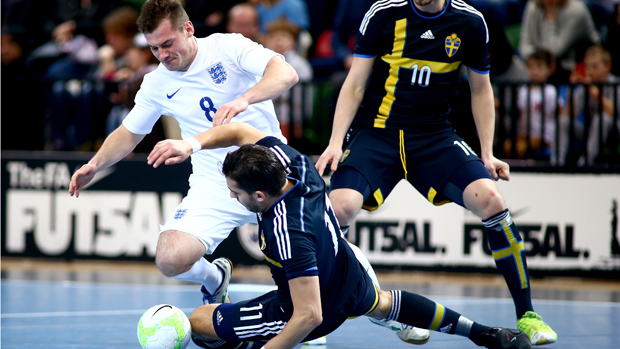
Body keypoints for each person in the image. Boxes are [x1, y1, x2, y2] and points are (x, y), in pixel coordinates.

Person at [147, 121, 532, 349]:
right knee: (381, 303)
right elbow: (241, 130)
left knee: (199, 322)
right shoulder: (292, 163)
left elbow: (309, 314)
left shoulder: (285, 232)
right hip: (347, 273)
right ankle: (485, 333)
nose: (232, 196)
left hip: (312, 307)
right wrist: (192, 143)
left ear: (259, 195)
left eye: (236, 192)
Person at [314, 0, 557, 346]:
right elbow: (354, 84)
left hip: (434, 136)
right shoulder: (383, 14)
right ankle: (315, 320)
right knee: (339, 209)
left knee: (491, 200)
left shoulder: (470, 22)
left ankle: (528, 314)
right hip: (377, 132)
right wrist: (336, 141)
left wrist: (487, 152)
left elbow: (481, 89)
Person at [69, 0, 298, 306]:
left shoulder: (227, 47)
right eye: (153, 49)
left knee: (312, 253)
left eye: (167, 43)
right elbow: (129, 133)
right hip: (216, 182)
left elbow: (286, 73)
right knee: (170, 258)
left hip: (270, 173)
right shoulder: (156, 83)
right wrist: (95, 164)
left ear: (188, 29)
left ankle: (345, 313)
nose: (162, 55)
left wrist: (244, 99)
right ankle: (216, 279)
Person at [519, 0, 600, 83]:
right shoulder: (533, 6)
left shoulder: (577, 11)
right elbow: (524, 45)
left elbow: (553, 51)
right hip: (543, 62)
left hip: (571, 66)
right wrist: (537, 61)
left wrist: (549, 20)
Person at [511, 49, 567, 163]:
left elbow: (561, 113)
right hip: (526, 134)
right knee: (508, 146)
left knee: (522, 147)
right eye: (531, 66)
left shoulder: (550, 91)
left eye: (539, 67)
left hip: (545, 136)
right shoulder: (523, 90)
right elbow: (521, 115)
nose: (535, 71)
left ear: (549, 69)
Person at [568, 44, 620, 165]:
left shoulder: (616, 84)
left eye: (595, 67)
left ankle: (587, 162)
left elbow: (613, 112)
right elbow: (571, 113)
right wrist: (571, 88)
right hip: (590, 131)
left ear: (608, 67)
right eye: (587, 67)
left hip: (614, 131)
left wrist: (593, 91)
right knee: (563, 122)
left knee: (601, 118)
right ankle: (557, 162)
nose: (589, 71)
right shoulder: (585, 86)